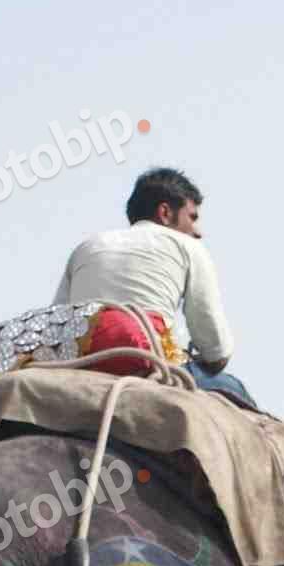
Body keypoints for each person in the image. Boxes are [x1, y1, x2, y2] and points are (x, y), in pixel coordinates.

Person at [53, 167, 255, 405]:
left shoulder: (87, 246)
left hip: (80, 362)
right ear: (165, 212)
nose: (197, 232)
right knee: (232, 387)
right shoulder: (188, 246)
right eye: (192, 217)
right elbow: (215, 348)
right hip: (152, 363)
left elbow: (58, 321)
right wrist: (210, 359)